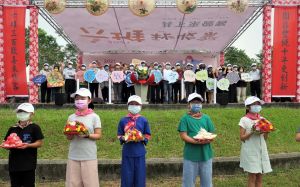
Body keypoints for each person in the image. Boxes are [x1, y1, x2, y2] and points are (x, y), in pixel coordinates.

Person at [65, 88, 102, 187]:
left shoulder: (95, 117)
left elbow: (98, 135)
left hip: (89, 155)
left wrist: (87, 135)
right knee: (72, 183)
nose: (79, 100)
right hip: (73, 155)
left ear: (89, 100)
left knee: (91, 183)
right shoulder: (71, 117)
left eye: (82, 98)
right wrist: (70, 133)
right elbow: (69, 138)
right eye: (77, 98)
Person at [178, 93, 215, 187]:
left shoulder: (206, 118)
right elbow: (183, 135)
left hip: (206, 154)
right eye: (194, 102)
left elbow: (211, 133)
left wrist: (207, 139)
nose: (197, 104)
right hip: (191, 155)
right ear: (189, 105)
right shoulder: (185, 119)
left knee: (207, 182)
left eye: (199, 102)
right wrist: (196, 141)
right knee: (188, 182)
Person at [2, 103, 44, 187]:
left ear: (31, 114)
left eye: (24, 112)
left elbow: (40, 143)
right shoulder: (12, 128)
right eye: (19, 112)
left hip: (28, 165)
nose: (21, 114)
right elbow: (5, 141)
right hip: (14, 165)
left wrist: (28, 145)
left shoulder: (34, 127)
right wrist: (5, 145)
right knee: (14, 184)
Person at [117, 95, 151, 187]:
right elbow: (119, 135)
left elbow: (148, 135)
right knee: (127, 176)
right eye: (132, 104)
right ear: (128, 106)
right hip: (127, 152)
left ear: (140, 106)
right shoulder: (123, 120)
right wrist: (123, 138)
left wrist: (142, 138)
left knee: (140, 176)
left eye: (136, 104)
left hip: (140, 152)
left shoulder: (144, 120)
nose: (134, 106)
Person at [239, 96, 272, 187]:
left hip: (261, 150)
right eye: (254, 104)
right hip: (250, 151)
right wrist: (252, 132)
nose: (257, 106)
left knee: (260, 177)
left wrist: (267, 131)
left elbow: (264, 138)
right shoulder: (244, 120)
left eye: (258, 104)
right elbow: (242, 137)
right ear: (248, 107)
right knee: (252, 177)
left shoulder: (262, 119)